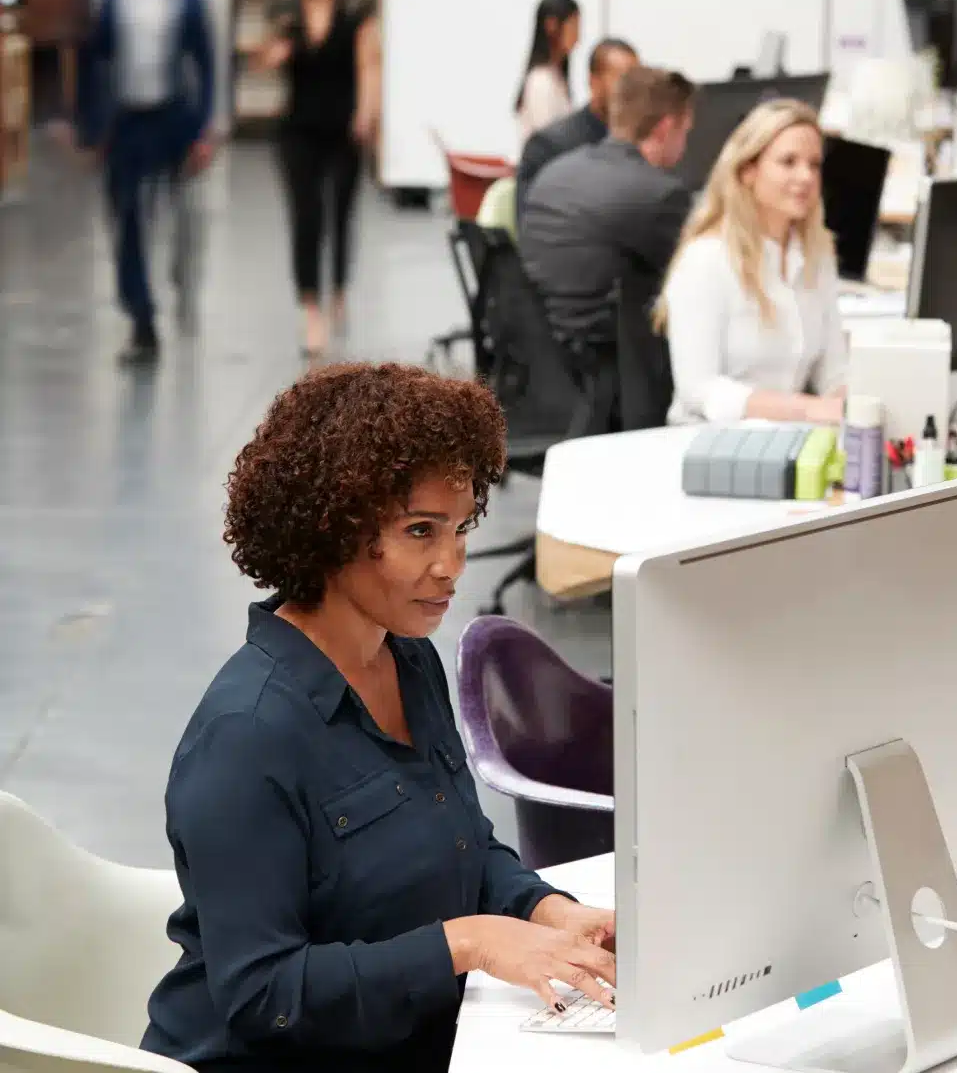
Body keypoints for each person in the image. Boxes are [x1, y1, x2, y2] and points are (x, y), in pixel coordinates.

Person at [140, 363, 617, 1073]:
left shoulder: (407, 660)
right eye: (419, 531)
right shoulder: (245, 737)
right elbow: (264, 997)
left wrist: (545, 909)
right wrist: (469, 943)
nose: (452, 564)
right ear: (330, 529)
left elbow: (459, 849)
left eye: (460, 529)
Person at [518, 66, 695, 431]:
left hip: (543, 362)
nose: (687, 143)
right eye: (685, 131)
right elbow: (700, 278)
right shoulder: (659, 194)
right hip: (614, 373)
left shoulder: (555, 172)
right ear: (665, 127)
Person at [655, 99, 847, 426]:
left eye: (814, 165)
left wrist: (850, 407)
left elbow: (834, 373)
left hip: (792, 443)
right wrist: (806, 409)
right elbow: (698, 388)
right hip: (711, 445)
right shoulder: (706, 260)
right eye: (788, 162)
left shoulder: (817, 254)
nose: (806, 176)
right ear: (747, 171)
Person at [75, 0, 217, 362]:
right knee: (127, 219)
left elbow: (205, 59)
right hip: (127, 122)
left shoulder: (187, 1)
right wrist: (91, 128)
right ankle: (141, 318)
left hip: (174, 118)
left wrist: (204, 127)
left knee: (185, 217)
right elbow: (93, 57)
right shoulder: (111, 1)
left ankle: (183, 283)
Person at [254, 0, 381, 358]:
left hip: (344, 131)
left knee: (340, 213)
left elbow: (369, 67)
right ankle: (310, 306)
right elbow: (262, 60)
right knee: (306, 216)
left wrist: (366, 113)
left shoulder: (355, 16)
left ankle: (339, 288)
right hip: (299, 131)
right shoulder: (287, 14)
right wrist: (273, 50)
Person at [514, 36, 638, 229]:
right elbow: (532, 227)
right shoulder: (549, 146)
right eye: (622, 79)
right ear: (593, 81)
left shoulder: (641, 144)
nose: (631, 91)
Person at [514, 0, 580, 154]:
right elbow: (548, 142)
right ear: (551, 25)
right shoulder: (540, 81)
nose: (578, 36)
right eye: (574, 26)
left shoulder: (557, 77)